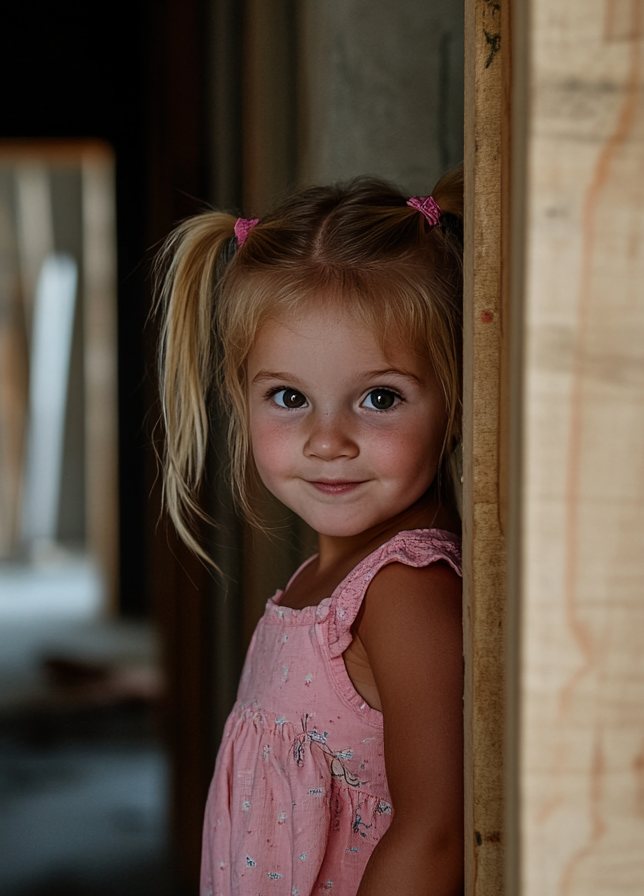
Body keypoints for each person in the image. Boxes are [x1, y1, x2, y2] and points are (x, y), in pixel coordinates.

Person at [156, 169, 465, 896]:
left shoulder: (405, 593)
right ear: (241, 396)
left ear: (452, 398)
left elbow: (437, 836)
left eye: (380, 398)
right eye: (289, 398)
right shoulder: (320, 584)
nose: (329, 441)